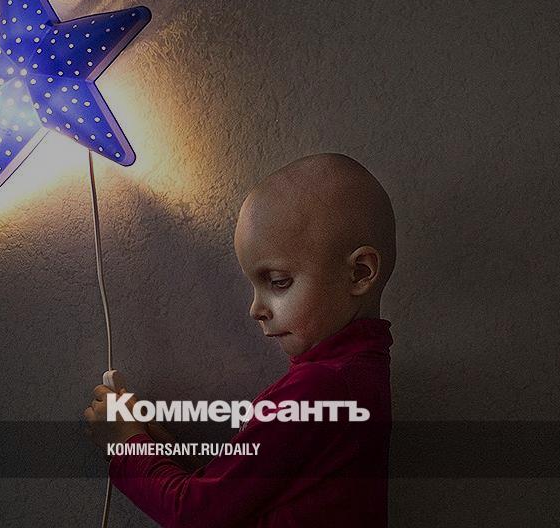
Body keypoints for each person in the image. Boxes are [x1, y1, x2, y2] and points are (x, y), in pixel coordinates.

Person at [83, 153, 397, 527]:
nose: (255, 308)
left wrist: (125, 446)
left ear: (359, 273)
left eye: (278, 282)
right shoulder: (357, 375)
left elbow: (196, 514)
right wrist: (157, 451)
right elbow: (246, 497)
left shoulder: (319, 387)